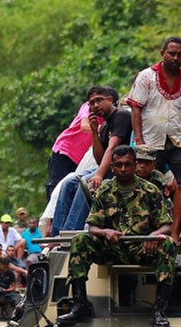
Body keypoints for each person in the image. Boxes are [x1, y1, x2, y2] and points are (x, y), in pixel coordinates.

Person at [57, 145, 176, 327]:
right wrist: (105, 232)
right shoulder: (104, 191)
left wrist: (154, 236)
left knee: (167, 243)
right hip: (112, 247)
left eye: (127, 164)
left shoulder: (151, 191)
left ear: (135, 165)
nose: (122, 169)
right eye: (118, 165)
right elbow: (93, 226)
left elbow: (167, 225)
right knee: (80, 240)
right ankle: (80, 304)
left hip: (141, 248)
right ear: (112, 167)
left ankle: (159, 310)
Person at [128, 36, 181, 243]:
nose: (175, 57)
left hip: (177, 139)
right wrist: (139, 139)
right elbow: (136, 108)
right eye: (171, 53)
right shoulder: (146, 77)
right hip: (150, 140)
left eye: (180, 54)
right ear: (162, 54)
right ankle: (147, 231)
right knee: (146, 184)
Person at [54, 86, 134, 234]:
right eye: (91, 103)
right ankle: (57, 233)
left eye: (99, 100)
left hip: (122, 167)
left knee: (85, 183)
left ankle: (71, 232)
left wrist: (99, 175)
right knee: (69, 182)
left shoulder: (121, 116)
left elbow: (112, 148)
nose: (95, 105)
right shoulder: (104, 125)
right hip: (107, 166)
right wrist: (94, 133)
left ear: (110, 100)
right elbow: (99, 158)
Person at [45, 99, 99, 200]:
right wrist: (103, 128)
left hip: (81, 160)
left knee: (72, 189)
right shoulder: (88, 106)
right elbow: (84, 126)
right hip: (66, 151)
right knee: (56, 185)